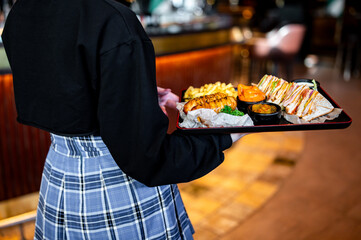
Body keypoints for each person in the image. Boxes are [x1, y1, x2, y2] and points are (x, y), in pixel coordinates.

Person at [1, 0, 245, 239]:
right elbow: (150, 158)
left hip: (59, 178)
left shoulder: (22, 9)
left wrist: (130, 93)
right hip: (117, 188)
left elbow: (64, 88)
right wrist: (224, 137)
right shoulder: (113, 20)